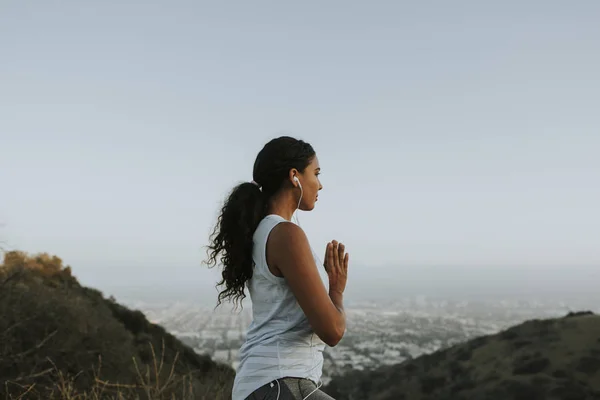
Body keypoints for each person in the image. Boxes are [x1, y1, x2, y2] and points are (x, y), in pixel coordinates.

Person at [205, 136, 349, 400]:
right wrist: (336, 290)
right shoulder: (286, 235)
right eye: (315, 173)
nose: (320, 184)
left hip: (268, 385)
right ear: (295, 176)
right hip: (279, 382)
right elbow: (332, 331)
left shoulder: (263, 232)